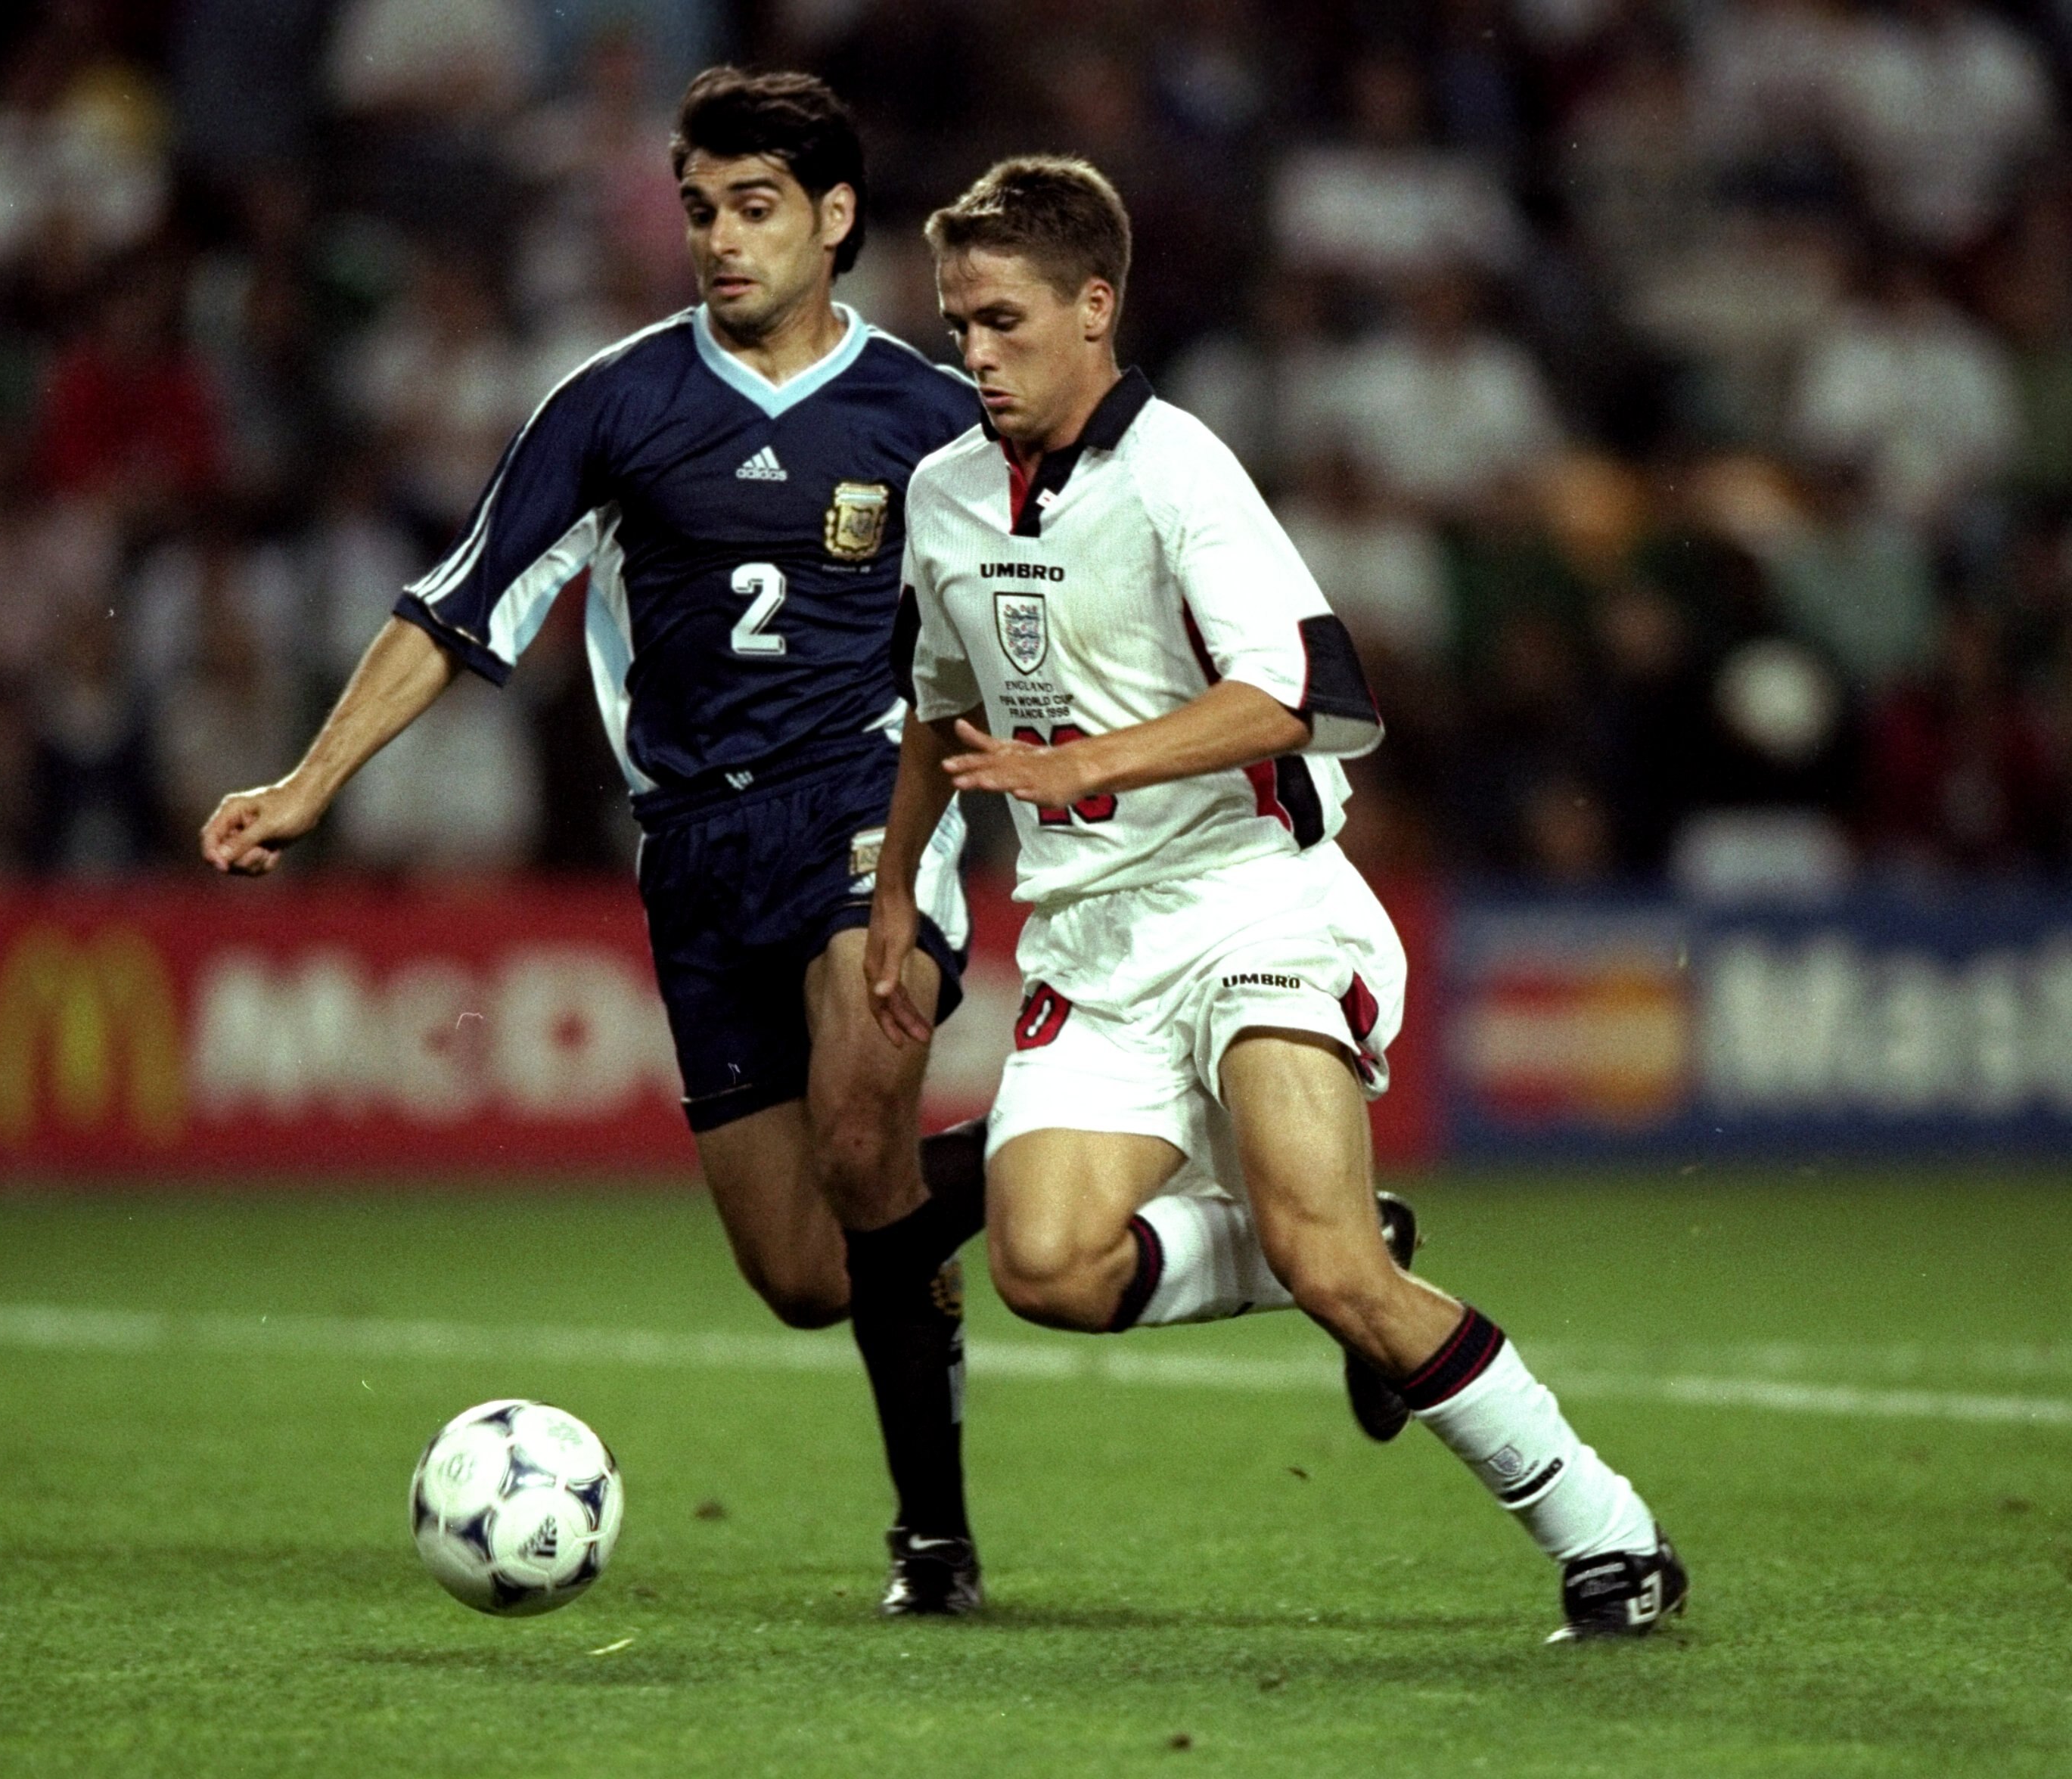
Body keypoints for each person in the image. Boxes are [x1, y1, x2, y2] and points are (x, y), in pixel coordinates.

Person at [866, 156, 1686, 1642]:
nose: (972, 353)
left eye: (1000, 320)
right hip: (1092, 945)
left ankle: (1609, 1536)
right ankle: (1343, 1224)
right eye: (956, 326)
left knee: (1330, 1271)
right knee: (1049, 1266)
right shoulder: (939, 498)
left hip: (1256, 905)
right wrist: (889, 895)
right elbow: (936, 711)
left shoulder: (1179, 469)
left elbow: (1311, 689)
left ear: (1093, 306)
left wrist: (1099, 760)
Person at [201, 69, 989, 1616]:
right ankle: (1088, 1166)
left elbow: (1042, 605)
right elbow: (463, 600)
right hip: (695, 852)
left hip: (864, 816)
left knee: (857, 1131)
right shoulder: (615, 404)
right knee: (808, 1271)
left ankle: (934, 1541)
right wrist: (311, 781)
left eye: (756, 208)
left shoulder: (932, 418)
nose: (721, 241)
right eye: (700, 211)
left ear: (836, 220)